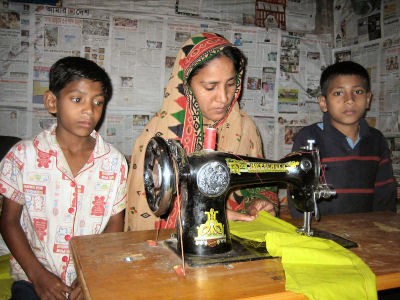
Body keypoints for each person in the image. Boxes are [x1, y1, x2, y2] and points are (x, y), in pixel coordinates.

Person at [0, 56, 128, 300]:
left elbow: (114, 227)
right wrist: (38, 276)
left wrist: (89, 274)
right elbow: (8, 221)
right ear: (52, 102)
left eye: (98, 102)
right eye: (77, 99)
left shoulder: (114, 162)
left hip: (90, 277)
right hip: (34, 278)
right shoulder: (23, 156)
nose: (89, 110)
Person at [125, 32, 278, 231]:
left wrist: (260, 203)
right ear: (186, 85)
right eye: (210, 86)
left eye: (231, 84)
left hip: (236, 240)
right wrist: (203, 216)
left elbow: (260, 183)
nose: (223, 98)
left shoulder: (245, 127)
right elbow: (146, 213)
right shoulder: (157, 139)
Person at [288, 60, 397, 218]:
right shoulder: (308, 138)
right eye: (338, 93)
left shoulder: (376, 140)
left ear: (368, 99)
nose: (350, 100)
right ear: (324, 103)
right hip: (322, 232)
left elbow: (385, 196)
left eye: (358, 92)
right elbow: (298, 194)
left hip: (366, 232)